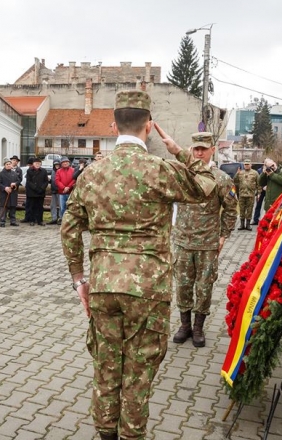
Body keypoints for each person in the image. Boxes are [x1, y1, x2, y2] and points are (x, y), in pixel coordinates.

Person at [61, 90, 218, 440]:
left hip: (103, 285)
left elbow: (69, 228)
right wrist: (179, 151)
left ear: (114, 125)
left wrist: (78, 280)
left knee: (106, 366)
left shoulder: (91, 172)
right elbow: (206, 185)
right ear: (149, 126)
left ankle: (106, 434)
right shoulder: (160, 168)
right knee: (138, 373)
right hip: (149, 289)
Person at [172, 133, 237, 348]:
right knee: (182, 285)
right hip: (182, 240)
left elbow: (230, 209)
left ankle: (198, 327)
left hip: (208, 243)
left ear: (212, 150)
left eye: (203, 149)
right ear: (191, 150)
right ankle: (184, 325)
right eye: (196, 149)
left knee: (204, 286)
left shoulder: (221, 178)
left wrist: (223, 236)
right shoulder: (183, 175)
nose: (199, 152)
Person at [234, 158, 260, 231]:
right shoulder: (240, 173)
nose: (246, 166)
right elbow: (235, 181)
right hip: (241, 194)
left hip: (251, 195)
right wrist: (237, 173)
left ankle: (248, 225)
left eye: (248, 164)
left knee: (249, 210)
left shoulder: (255, 173)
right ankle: (242, 224)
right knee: (242, 210)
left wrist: (259, 193)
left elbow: (259, 184)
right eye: (245, 164)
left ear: (250, 165)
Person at [26, 157, 49, 226]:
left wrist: (42, 188)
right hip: (32, 192)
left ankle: (40, 220)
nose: (37, 165)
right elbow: (29, 181)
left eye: (39, 163)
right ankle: (32, 220)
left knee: (40, 207)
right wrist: (35, 188)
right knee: (32, 206)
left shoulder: (44, 171)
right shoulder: (29, 170)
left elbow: (46, 181)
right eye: (36, 163)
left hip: (41, 192)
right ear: (33, 164)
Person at [0, 158, 20, 227]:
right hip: (4, 194)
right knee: (4, 207)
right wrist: (5, 188)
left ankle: (13, 221)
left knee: (13, 207)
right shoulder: (1, 174)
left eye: (9, 164)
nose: (8, 165)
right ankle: (2, 221)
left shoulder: (14, 173)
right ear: (4, 165)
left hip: (13, 193)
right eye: (7, 164)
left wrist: (15, 184)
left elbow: (18, 181)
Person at [55, 158, 75, 224]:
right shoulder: (58, 171)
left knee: (71, 208)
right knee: (63, 208)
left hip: (71, 193)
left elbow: (74, 179)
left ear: (69, 163)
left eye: (66, 162)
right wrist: (64, 188)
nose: (65, 163)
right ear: (61, 164)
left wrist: (68, 187)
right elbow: (57, 181)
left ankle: (71, 221)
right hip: (62, 193)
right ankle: (64, 221)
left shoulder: (73, 170)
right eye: (63, 162)